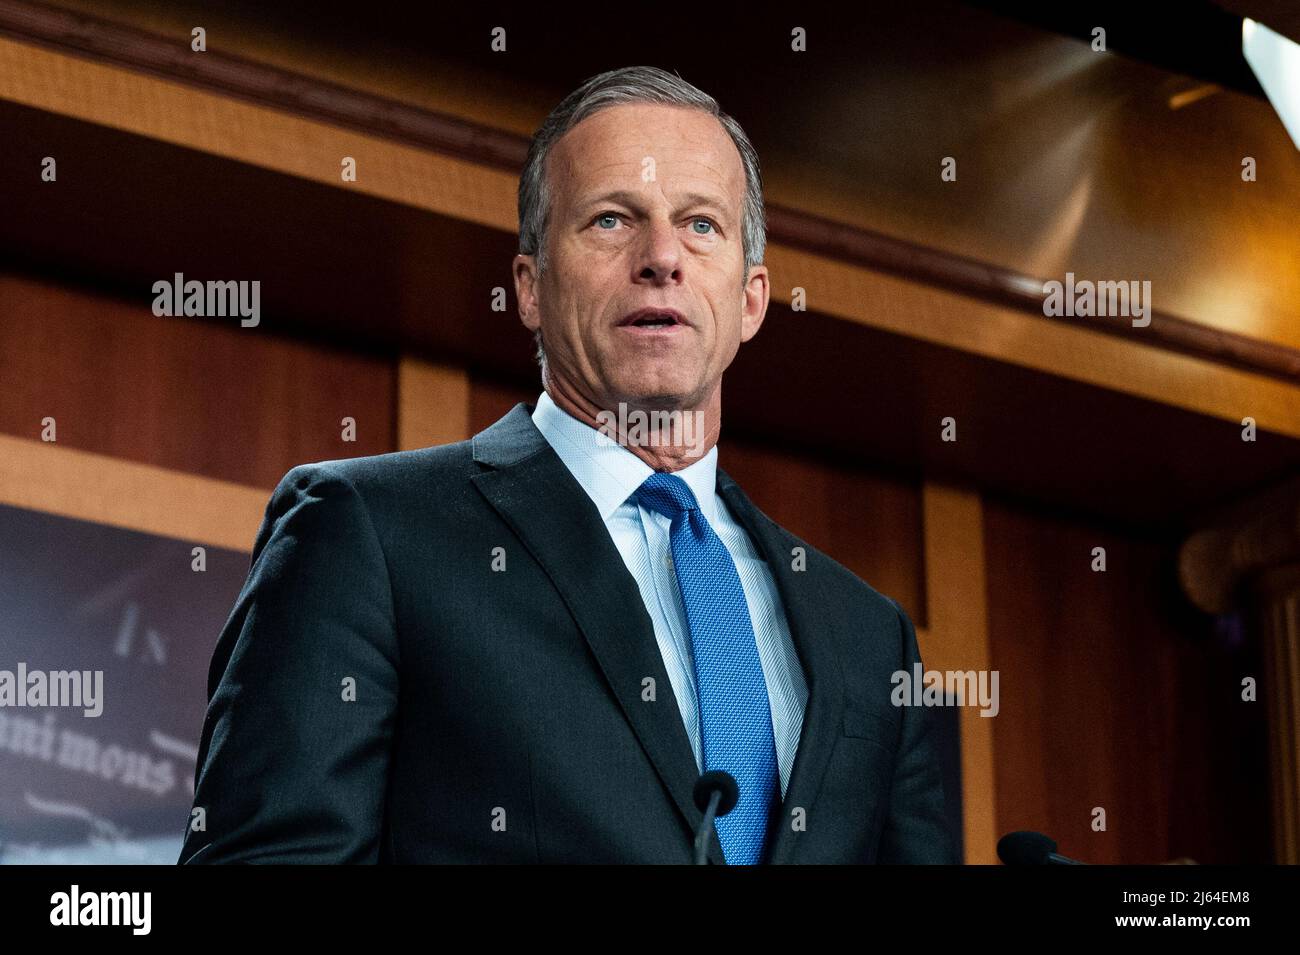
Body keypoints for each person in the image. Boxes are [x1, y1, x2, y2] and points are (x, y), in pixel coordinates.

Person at [179, 65, 952, 864]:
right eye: (613, 220)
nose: (662, 257)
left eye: (701, 225)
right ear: (530, 288)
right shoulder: (367, 532)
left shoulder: (872, 641)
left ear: (752, 298)